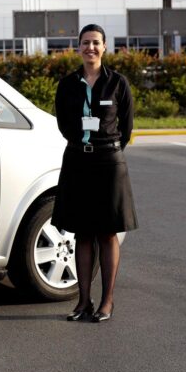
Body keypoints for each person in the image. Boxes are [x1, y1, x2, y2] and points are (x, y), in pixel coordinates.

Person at [51, 24, 138, 323]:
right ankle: (83, 302)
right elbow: (63, 124)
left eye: (96, 43)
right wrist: (82, 142)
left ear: (104, 47)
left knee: (107, 232)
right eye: (85, 43)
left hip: (109, 163)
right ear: (78, 48)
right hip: (77, 161)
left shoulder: (118, 84)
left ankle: (107, 301)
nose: (91, 47)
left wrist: (105, 146)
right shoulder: (67, 84)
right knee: (83, 233)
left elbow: (126, 127)